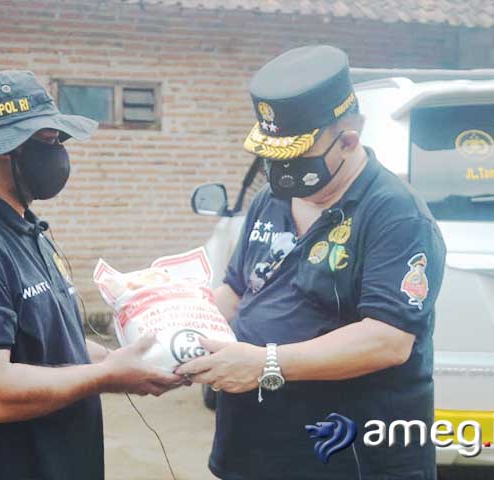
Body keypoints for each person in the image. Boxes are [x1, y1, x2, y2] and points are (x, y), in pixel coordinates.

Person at [177, 45, 446, 479]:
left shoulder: (395, 213)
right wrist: (173, 325)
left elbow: (388, 340)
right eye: (271, 159)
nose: (280, 172)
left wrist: (265, 364)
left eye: (294, 159)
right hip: (256, 450)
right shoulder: (271, 198)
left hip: (349, 457)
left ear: (349, 140)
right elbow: (237, 290)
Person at [0, 70, 180, 480]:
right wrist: (107, 376)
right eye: (51, 141)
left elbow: (52, 342)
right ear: (6, 149)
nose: (60, 153)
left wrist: (135, 360)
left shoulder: (22, 228)